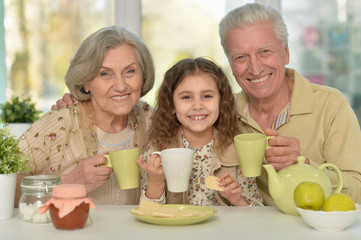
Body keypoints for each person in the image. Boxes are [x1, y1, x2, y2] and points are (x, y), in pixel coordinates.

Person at [219, 3, 361, 205]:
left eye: (265, 51)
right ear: (231, 64)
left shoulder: (331, 105)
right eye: (240, 57)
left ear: (285, 53)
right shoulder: (223, 112)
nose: (255, 68)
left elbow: (358, 192)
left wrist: (305, 166)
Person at [17, 25, 155, 205]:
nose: (121, 86)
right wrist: (68, 183)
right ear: (86, 82)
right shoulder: (60, 123)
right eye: (105, 73)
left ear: (143, 75)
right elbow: (4, 186)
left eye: (130, 71)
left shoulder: (150, 119)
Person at [136, 57, 263, 206]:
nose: (197, 105)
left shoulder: (237, 150)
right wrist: (155, 182)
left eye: (207, 96)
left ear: (221, 102)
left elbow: (256, 214)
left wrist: (236, 199)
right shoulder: (158, 149)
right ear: (171, 105)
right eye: (186, 97)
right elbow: (148, 213)